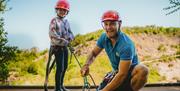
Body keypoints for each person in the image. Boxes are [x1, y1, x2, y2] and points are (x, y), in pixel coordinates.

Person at [80, 10, 149, 91]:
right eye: (106, 24)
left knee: (143, 70)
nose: (108, 27)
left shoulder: (126, 45)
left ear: (119, 24)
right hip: (116, 72)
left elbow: (122, 74)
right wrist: (86, 65)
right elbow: (93, 53)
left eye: (112, 23)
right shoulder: (103, 37)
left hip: (129, 74)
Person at [48, 0, 74, 91]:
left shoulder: (66, 22)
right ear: (57, 10)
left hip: (65, 47)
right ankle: (57, 88)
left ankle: (61, 85)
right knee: (60, 67)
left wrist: (70, 39)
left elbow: (70, 33)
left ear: (67, 12)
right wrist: (64, 41)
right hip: (57, 47)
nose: (62, 12)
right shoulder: (54, 21)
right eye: (60, 10)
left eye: (64, 10)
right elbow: (53, 35)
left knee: (65, 66)